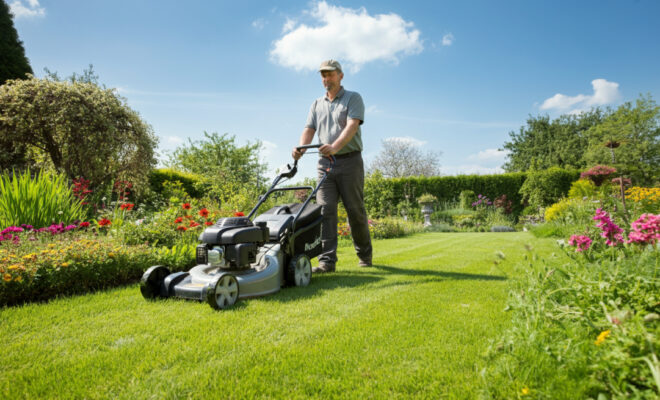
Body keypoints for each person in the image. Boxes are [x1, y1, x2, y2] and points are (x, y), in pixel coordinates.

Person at [292, 59, 373, 273]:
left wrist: (335, 147)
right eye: (323, 75)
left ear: (340, 76)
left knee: (355, 210)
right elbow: (309, 128)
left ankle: (364, 254)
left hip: (350, 161)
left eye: (330, 74)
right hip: (324, 164)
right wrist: (301, 147)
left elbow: (352, 126)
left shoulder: (352, 98)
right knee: (325, 210)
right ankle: (326, 261)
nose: (326, 79)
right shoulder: (317, 104)